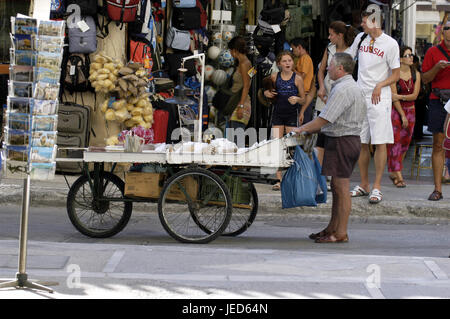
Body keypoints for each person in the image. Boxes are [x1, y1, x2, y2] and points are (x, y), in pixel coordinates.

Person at [293, 53, 367, 243]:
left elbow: (324, 119)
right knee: (336, 186)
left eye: (331, 66)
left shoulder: (344, 89)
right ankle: (332, 228)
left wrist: (301, 129)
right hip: (342, 139)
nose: (327, 69)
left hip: (343, 140)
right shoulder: (347, 87)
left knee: (341, 188)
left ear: (341, 69)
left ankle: (340, 232)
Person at [348, 8, 400, 204]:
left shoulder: (390, 44)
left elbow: (395, 73)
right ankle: (364, 184)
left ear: (375, 22)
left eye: (365, 21)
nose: (361, 24)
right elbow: (349, 59)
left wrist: (380, 85)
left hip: (380, 98)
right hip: (361, 96)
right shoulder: (361, 38)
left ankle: (377, 186)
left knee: (380, 142)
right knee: (361, 141)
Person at [316, 21, 357, 165]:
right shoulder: (329, 49)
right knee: (321, 134)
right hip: (325, 95)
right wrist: (321, 87)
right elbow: (321, 70)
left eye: (331, 34)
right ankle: (320, 172)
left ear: (339, 35)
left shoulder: (351, 52)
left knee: (335, 134)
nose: (329, 37)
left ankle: (332, 170)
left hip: (340, 97)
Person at [264, 51, 306, 190]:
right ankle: (278, 179)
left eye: (289, 60)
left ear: (293, 63)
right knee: (277, 145)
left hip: (291, 115)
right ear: (279, 64)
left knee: (290, 147)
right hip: (277, 114)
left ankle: (290, 177)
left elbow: (304, 98)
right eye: (284, 61)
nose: (288, 63)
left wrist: (298, 99)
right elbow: (266, 91)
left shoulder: (297, 79)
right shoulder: (275, 77)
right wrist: (266, 93)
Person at [421, 21, 450, 201]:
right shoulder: (433, 52)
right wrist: (437, 68)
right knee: (438, 143)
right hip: (438, 100)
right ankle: (437, 189)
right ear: (442, 33)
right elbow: (425, 79)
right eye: (447, 29)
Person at [387, 46, 421, 188]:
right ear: (400, 59)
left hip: (411, 111)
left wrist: (401, 97)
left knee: (406, 143)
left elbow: (415, 95)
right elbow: (393, 98)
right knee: (395, 143)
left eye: (411, 55)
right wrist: (402, 115)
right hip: (397, 111)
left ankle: (394, 171)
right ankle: (398, 174)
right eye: (407, 55)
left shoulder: (416, 74)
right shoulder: (394, 74)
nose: (410, 57)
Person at [290, 37, 314, 124]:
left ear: (299, 47)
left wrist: (293, 69)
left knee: (304, 123)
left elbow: (302, 76)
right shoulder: (301, 59)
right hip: (301, 95)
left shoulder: (306, 58)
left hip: (305, 95)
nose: (293, 51)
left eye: (293, 49)